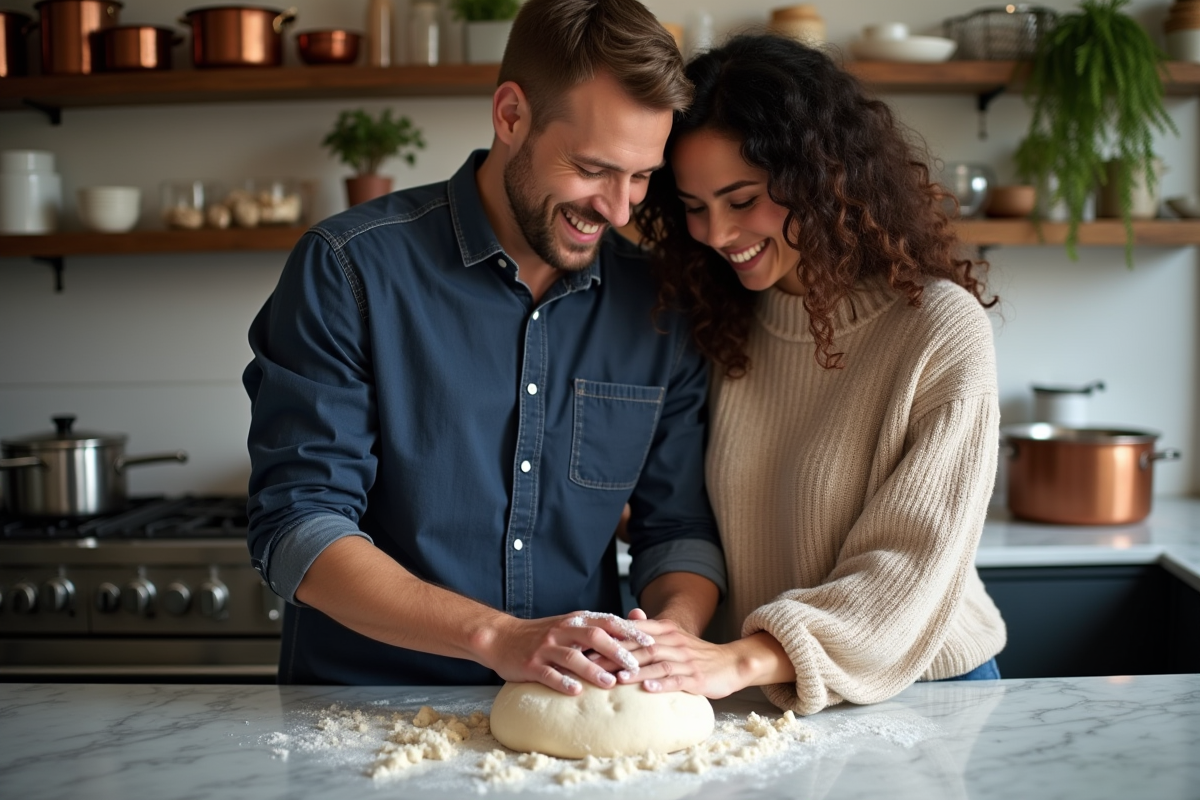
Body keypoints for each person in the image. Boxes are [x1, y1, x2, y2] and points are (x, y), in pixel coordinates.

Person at [241, 0, 726, 689]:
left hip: (580, 717)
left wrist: (666, 638)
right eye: (593, 168)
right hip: (364, 716)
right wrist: (498, 638)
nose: (619, 210)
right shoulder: (349, 268)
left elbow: (677, 529)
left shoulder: (656, 305)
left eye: (642, 177)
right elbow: (298, 527)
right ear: (510, 116)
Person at [623, 34, 1007, 715]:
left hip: (919, 691)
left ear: (820, 177)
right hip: (756, 686)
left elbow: (907, 565)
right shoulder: (720, 318)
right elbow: (699, 514)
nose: (714, 233)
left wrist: (745, 657)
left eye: (742, 200)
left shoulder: (938, 329)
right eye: (693, 205)